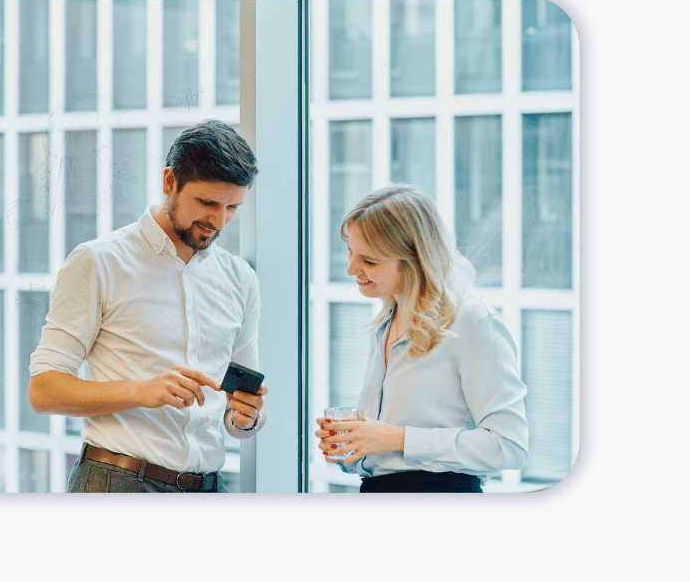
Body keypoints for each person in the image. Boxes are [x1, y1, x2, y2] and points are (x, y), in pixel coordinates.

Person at [28, 120, 267, 493]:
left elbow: (236, 418)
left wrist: (247, 416)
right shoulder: (98, 262)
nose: (218, 222)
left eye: (232, 207)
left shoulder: (240, 280)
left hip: (209, 489)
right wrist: (142, 391)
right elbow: (44, 389)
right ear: (170, 182)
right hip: (117, 483)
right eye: (207, 203)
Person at [316, 184, 528, 493]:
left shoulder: (472, 322)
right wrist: (354, 443)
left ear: (415, 257)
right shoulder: (387, 323)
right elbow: (385, 454)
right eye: (351, 253)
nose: (351, 269)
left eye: (369, 261)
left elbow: (509, 445)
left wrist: (395, 438)